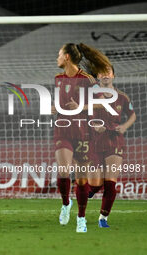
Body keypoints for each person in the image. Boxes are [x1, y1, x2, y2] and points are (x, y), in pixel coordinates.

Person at [54, 43, 111, 233]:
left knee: (80, 179)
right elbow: (61, 105)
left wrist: (80, 108)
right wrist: (56, 108)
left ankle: (81, 218)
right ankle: (65, 204)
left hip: (83, 133)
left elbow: (103, 103)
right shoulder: (58, 79)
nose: (57, 58)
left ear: (67, 57)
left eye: (59, 55)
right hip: (63, 131)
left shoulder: (86, 80)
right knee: (63, 170)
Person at [88, 65, 136, 228]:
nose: (105, 74)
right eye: (101, 72)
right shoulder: (91, 96)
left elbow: (132, 115)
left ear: (114, 75)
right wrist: (93, 125)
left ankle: (103, 218)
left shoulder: (122, 97)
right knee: (94, 183)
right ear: (98, 77)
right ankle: (93, 189)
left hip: (114, 140)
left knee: (110, 182)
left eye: (108, 71)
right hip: (94, 141)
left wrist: (124, 126)